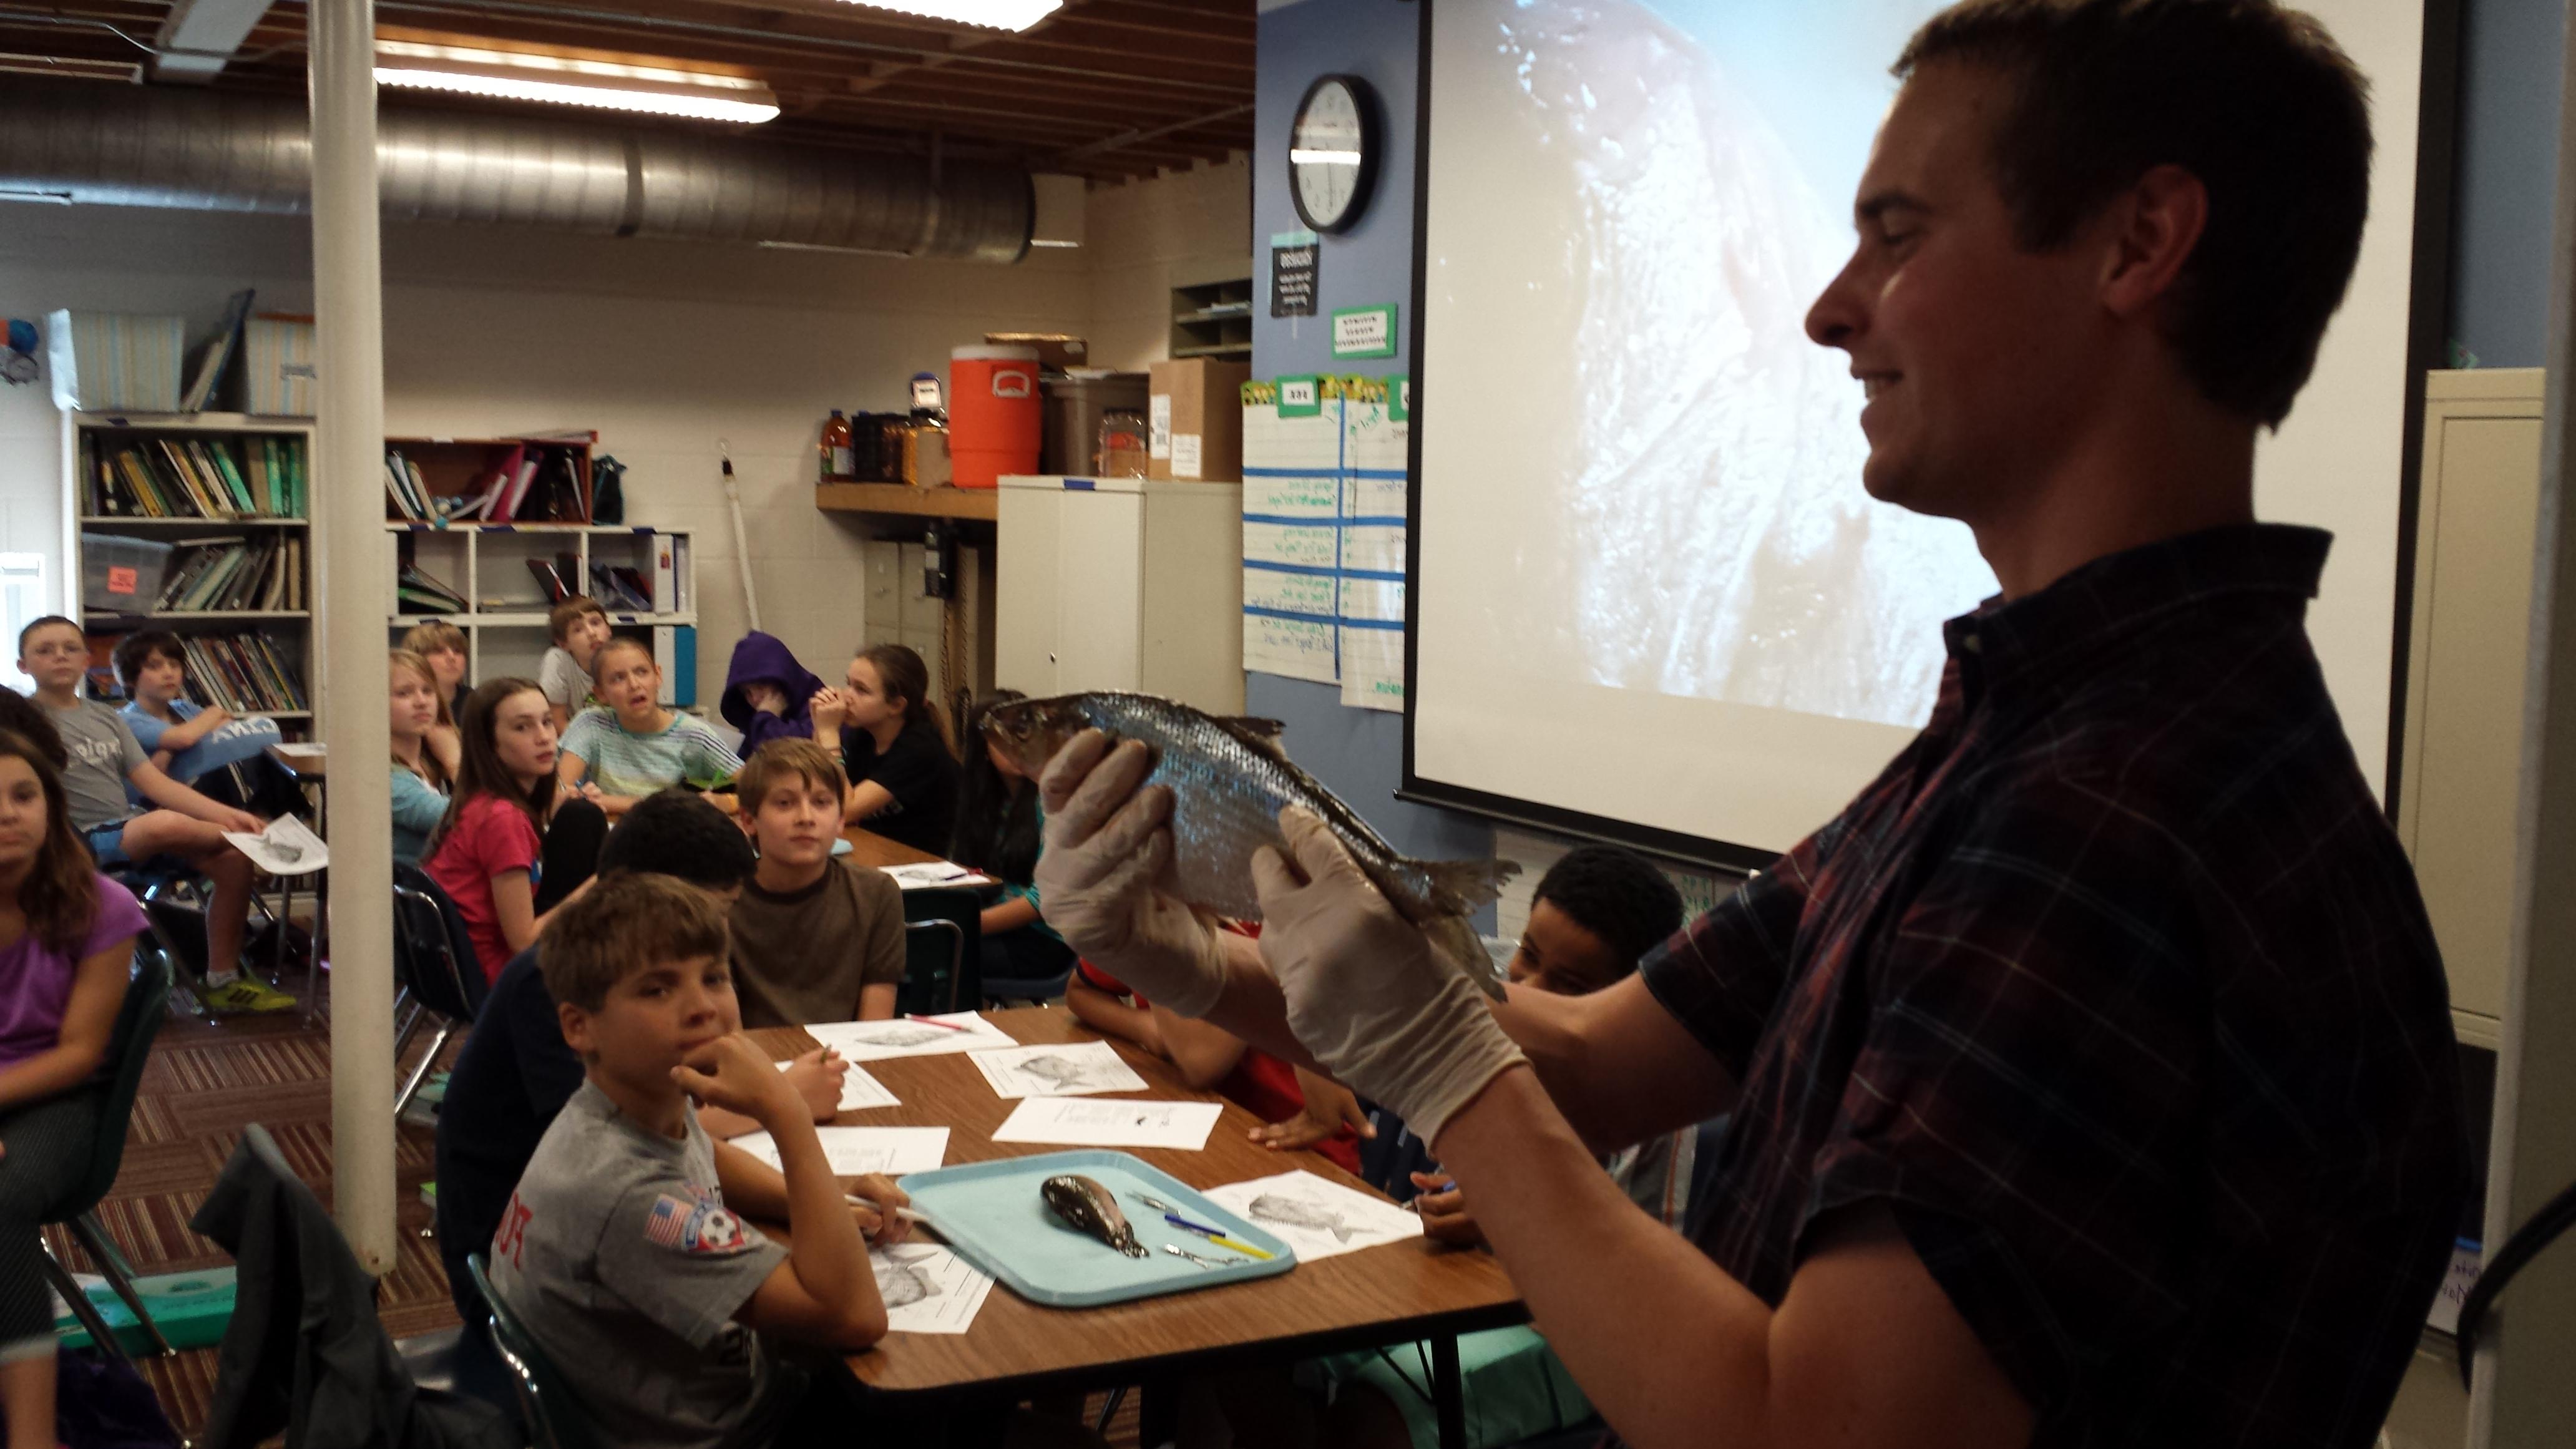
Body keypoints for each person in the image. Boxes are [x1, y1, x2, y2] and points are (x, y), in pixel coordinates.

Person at [1028, 4, 2467, 1444]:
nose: (1830, 307)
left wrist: (1442, 1070)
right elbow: (1585, 1061)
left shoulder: (2107, 824)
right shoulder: (2016, 746)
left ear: (2136, 243)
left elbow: (1804, 1427)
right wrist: (1204, 962)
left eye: (1897, 234)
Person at [481, 872, 909, 1449]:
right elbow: (855, 1317)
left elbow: (706, 1153)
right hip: (740, 1431)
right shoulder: (628, 1195)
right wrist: (788, 1115)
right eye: (658, 989)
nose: (703, 1007)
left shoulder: (627, 1104)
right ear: (580, 1026)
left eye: (714, 977)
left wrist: (820, 1200)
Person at [435, 789, 847, 1383]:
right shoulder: (556, 986)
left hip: (563, 1265)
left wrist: (817, 1199)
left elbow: (677, 1137)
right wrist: (779, 1106)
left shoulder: (621, 1043)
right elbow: (848, 1314)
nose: (712, 932)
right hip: (543, 1288)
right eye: (708, 910)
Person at [1305, 846, 1695, 1449]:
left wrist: (1521, 1223)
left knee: (1378, 1409)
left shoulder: (1662, 1111)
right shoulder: (1483, 1011)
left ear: (1625, 1002)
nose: (1529, 989)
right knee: (1258, 1352)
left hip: (1584, 1348)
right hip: (1454, 1290)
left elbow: (1653, 1305)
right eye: (1528, 957)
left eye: (1569, 985)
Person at [16, 618, 288, 1013]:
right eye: (45, 650)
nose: (60, 656)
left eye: (70, 648)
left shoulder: (107, 717)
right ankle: (264, 843)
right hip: (78, 839)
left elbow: (156, 785)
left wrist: (232, 816)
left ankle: (223, 979)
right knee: (163, 823)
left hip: (129, 829)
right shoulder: (23, 721)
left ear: (88, 659)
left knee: (233, 858)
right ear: (23, 666)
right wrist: (228, 825)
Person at [0, 728, 149, 1449]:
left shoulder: (104, 904)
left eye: (23, 796)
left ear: (51, 808)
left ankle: (34, 1437)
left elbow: (78, 1054)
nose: (7, 814)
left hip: (60, 1099)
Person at [1066, 956, 1370, 1176]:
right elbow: (1080, 991)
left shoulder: (1251, 922)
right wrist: (1145, 1029)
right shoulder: (1152, 913)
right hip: (1194, 1125)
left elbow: (1201, 1061)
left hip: (1296, 1147)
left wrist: (1150, 932)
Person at [424, 678, 608, 984]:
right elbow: (523, 941)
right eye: (522, 727)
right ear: (489, 744)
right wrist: (603, 881)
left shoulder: (483, 802)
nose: (544, 737)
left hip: (466, 965)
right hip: (499, 976)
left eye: (547, 722)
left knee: (581, 817)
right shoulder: (501, 817)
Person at [726, 740, 904, 1028]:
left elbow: (875, 1026)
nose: (806, 818)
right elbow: (729, 1036)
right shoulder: (721, 902)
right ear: (749, 819)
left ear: (840, 820)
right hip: (756, 1062)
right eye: (785, 803)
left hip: (845, 1060)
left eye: (821, 803)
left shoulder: (876, 893)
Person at [952, 690, 1076, 993]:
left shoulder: (1055, 799)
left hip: (1044, 942)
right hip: (994, 926)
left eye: (1024, 733)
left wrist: (966, 926)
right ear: (983, 746)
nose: (1017, 746)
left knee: (930, 955)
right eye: (1002, 736)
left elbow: (1043, 901)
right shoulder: (982, 798)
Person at [111, 631, 301, 821]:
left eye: (175, 665)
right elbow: (183, 738)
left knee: (264, 758)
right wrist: (213, 714)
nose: (169, 673)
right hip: (165, 805)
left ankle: (280, 819)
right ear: (129, 678)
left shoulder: (183, 708)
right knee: (222, 761)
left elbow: (230, 727)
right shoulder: (127, 719)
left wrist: (169, 751)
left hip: (208, 795)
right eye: (155, 667)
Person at [557, 637, 741, 817]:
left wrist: (724, 802)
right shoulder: (591, 723)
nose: (634, 685)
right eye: (618, 678)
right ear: (601, 694)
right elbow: (560, 792)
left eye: (642, 672)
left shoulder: (693, 735)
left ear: (658, 676)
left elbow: (760, 789)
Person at [831, 643, 957, 855]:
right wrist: (821, 729)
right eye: (848, 685)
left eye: (861, 690)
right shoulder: (863, 736)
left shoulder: (920, 749)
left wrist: (828, 736)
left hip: (923, 869)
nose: (846, 697)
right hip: (874, 852)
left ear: (896, 706)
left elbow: (845, 809)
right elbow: (818, 797)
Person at [720, 631, 843, 758]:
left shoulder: (823, 709)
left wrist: (766, 719)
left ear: (781, 678)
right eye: (746, 692)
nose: (755, 698)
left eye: (761, 686)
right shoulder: (755, 719)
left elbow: (782, 757)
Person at [390, 649, 452, 867]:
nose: (421, 701)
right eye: (404, 693)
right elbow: (465, 819)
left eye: (428, 691)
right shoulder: (388, 780)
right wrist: (456, 762)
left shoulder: (428, 763)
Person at [535, 595, 612, 736]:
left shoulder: (623, 658)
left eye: (595, 623)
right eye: (578, 630)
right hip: (573, 741)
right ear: (564, 644)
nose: (592, 633)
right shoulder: (558, 660)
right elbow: (558, 724)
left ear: (608, 629)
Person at [402, 619, 473, 723]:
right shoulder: (404, 704)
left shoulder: (477, 704)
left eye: (458, 651)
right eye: (439, 651)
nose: (452, 657)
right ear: (417, 658)